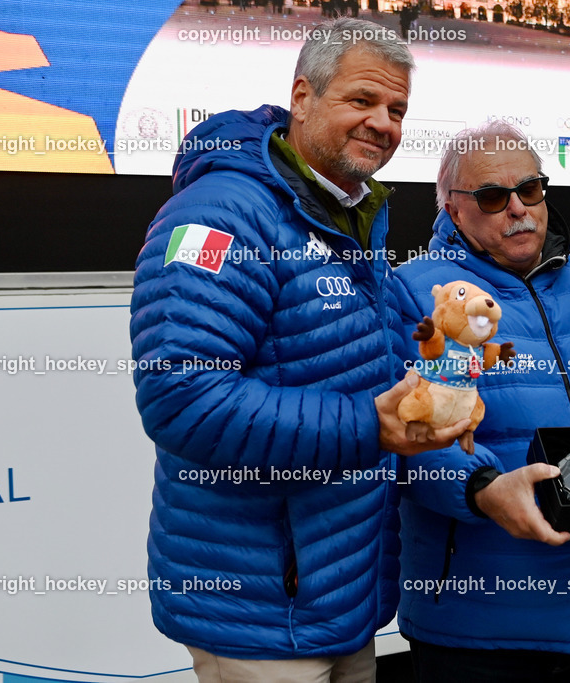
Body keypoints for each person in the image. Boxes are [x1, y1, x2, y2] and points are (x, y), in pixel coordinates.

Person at [130, 18, 464, 682]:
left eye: (396, 109)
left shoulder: (350, 212)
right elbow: (181, 395)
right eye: (362, 100)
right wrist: (372, 423)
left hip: (339, 595)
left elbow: (361, 359)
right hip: (257, 608)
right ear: (303, 97)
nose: (382, 122)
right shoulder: (220, 214)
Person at [392, 120, 570, 683]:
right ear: (454, 210)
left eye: (530, 189)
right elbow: (406, 442)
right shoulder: (416, 294)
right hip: (476, 631)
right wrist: (483, 490)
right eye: (493, 196)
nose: (518, 208)